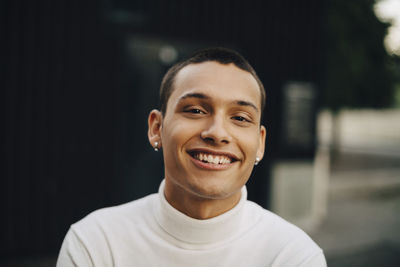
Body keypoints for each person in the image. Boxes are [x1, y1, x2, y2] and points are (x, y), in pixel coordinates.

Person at [56, 47, 327, 267]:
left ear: (260, 143)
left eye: (240, 118)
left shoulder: (293, 256)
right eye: (196, 110)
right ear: (156, 128)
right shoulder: (96, 243)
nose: (217, 133)